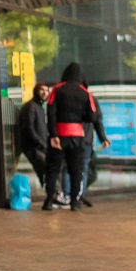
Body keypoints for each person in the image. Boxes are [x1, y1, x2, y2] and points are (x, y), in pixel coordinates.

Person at [43, 62, 96, 210]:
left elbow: (51, 112)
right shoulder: (85, 92)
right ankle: (74, 202)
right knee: (75, 170)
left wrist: (53, 134)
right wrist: (80, 118)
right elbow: (92, 116)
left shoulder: (57, 90)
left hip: (58, 135)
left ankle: (48, 201)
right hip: (77, 135)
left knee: (53, 169)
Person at [16, 83, 50, 192]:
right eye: (42, 90)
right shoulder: (31, 106)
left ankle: (51, 195)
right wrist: (41, 143)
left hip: (39, 147)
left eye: (47, 90)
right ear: (36, 91)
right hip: (34, 148)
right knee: (48, 169)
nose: (45, 93)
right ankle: (53, 196)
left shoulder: (39, 107)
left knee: (45, 172)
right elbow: (28, 128)